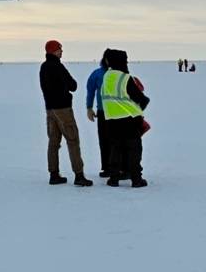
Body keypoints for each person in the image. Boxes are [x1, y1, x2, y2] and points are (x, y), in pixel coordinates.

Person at [38, 40, 92, 186]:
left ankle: (53, 174)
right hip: (63, 109)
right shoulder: (57, 66)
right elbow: (73, 85)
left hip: (50, 109)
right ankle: (79, 175)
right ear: (54, 51)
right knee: (73, 140)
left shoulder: (43, 67)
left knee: (53, 142)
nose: (62, 51)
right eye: (60, 49)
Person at [97, 49, 151, 187]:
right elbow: (140, 99)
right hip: (129, 120)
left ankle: (113, 178)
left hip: (111, 119)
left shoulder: (107, 76)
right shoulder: (125, 78)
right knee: (134, 149)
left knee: (115, 149)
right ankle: (136, 179)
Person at [86, 52, 111, 179]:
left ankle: (120, 167)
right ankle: (106, 167)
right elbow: (90, 90)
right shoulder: (97, 74)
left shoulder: (120, 74)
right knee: (104, 140)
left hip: (117, 113)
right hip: (102, 112)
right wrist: (89, 107)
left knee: (117, 141)